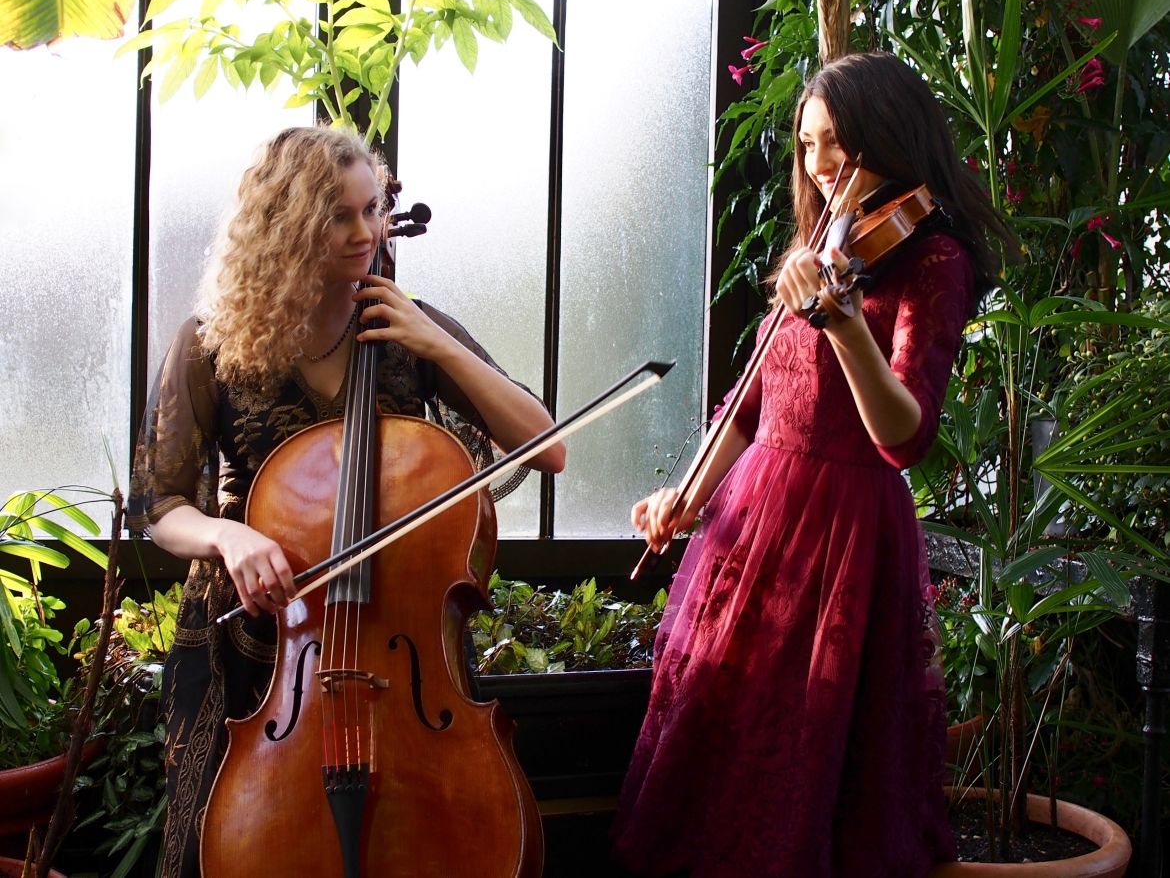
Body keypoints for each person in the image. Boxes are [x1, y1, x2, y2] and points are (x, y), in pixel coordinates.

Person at [610, 51, 1010, 877]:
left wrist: (842, 322)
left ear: (887, 136)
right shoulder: (824, 244)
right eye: (807, 145)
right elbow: (754, 405)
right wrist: (685, 493)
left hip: (843, 540)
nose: (819, 165)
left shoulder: (932, 259)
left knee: (809, 762)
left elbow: (904, 434)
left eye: (836, 142)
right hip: (754, 519)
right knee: (717, 744)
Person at [127, 125, 565, 878]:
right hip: (262, 650)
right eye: (340, 215)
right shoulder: (212, 343)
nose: (366, 231)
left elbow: (547, 445)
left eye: (373, 211)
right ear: (288, 225)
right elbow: (157, 505)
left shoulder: (405, 326)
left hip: (401, 648)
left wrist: (439, 344)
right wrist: (230, 540)